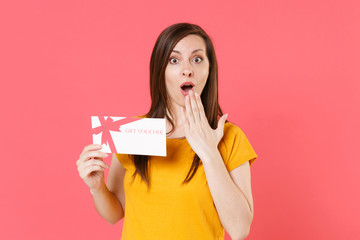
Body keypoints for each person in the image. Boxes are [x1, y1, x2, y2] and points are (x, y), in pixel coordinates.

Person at [76, 22, 258, 240]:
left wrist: (209, 153)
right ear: (160, 70)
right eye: (174, 60)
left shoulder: (229, 136)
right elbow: (115, 213)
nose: (187, 69)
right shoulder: (131, 131)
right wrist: (96, 186)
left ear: (209, 70)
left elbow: (240, 230)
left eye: (197, 59)